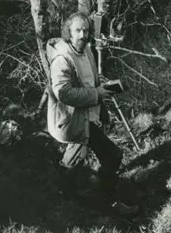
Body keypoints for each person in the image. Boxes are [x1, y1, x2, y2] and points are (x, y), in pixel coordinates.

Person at [46, 12, 139, 216]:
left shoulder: (86, 50)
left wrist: (104, 87)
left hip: (89, 115)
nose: (82, 35)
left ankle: (63, 195)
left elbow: (89, 79)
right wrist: (96, 94)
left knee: (76, 158)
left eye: (86, 30)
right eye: (78, 30)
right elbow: (63, 92)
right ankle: (110, 202)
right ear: (68, 33)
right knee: (113, 156)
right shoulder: (62, 59)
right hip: (72, 119)